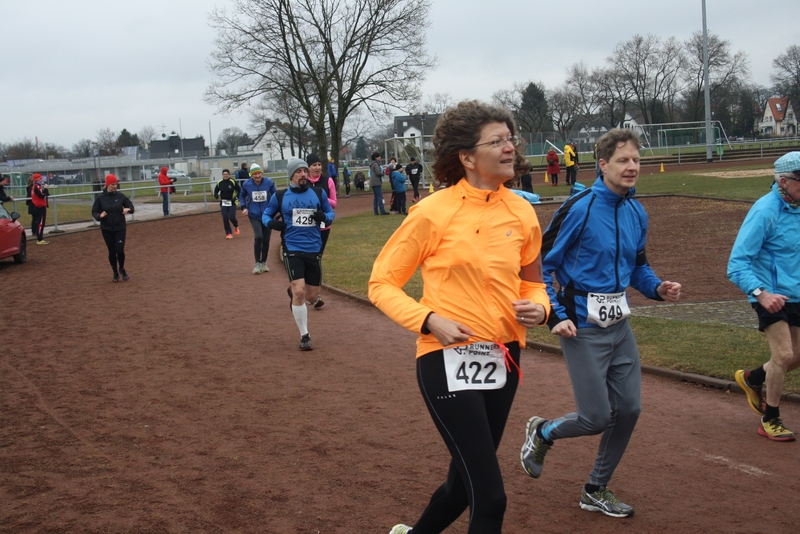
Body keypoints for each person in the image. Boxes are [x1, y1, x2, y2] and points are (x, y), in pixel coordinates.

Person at [369, 100, 550, 534]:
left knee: (461, 486)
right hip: (444, 357)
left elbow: (534, 285)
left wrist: (540, 308)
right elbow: (381, 283)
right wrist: (429, 319)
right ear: (467, 157)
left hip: (503, 357)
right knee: (490, 497)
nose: (510, 147)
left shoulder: (522, 212)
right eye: (497, 141)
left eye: (510, 138)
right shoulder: (433, 212)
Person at [520, 128, 682, 518]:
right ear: (603, 164)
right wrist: (555, 316)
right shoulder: (580, 208)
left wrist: (658, 287)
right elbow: (538, 267)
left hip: (619, 325)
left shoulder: (636, 211)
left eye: (636, 160)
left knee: (629, 409)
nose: (632, 167)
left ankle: (595, 488)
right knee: (596, 417)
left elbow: (638, 268)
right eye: (623, 160)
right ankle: (543, 431)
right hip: (581, 326)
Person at [729, 151, 800, 442]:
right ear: (784, 181)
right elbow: (737, 264)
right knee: (783, 355)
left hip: (796, 292)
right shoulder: (764, 211)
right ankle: (770, 419)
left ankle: (753, 378)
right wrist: (761, 293)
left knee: (796, 355)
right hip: (768, 293)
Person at [262, 158, 334, 351]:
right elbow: (266, 215)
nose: (303, 174)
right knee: (300, 292)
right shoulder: (280, 196)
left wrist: (324, 217)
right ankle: (304, 335)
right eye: (299, 172)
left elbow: (330, 214)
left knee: (312, 296)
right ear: (291, 175)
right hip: (292, 248)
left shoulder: (318, 193)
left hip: (314, 248)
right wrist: (271, 223)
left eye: (304, 171)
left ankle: (293, 292)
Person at [91, 174, 134, 282]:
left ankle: (122, 268)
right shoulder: (100, 198)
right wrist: (99, 216)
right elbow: (94, 211)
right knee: (112, 251)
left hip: (120, 227)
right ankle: (115, 272)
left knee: (119, 250)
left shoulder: (120, 196)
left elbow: (131, 207)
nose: (115, 186)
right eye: (112, 184)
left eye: (116, 184)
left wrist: (128, 209)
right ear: (107, 185)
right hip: (107, 228)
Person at [240, 163, 277, 274]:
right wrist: (244, 207)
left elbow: (275, 195)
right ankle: (257, 263)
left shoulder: (269, 182)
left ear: (262, 173)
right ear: (251, 175)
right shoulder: (246, 184)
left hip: (267, 215)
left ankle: (263, 262)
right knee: (259, 236)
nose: (257, 176)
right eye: (255, 174)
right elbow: (242, 196)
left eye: (259, 173)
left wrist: (275, 207)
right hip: (254, 215)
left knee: (266, 239)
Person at [306, 153, 337, 257]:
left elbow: (334, 203)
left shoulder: (328, 181)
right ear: (308, 167)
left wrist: (321, 198)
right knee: (307, 254)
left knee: (318, 255)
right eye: (314, 165)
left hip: (323, 225)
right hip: (307, 225)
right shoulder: (304, 182)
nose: (317, 167)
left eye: (319, 165)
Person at [213, 169, 241, 239]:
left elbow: (239, 190)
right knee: (225, 218)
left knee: (232, 217)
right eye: (224, 174)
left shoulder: (232, 181)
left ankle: (236, 226)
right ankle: (228, 233)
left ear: (229, 175)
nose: (225, 175)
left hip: (232, 202)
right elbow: (216, 190)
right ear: (222, 175)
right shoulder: (220, 182)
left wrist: (236, 197)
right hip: (224, 203)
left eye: (226, 174)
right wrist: (216, 195)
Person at [30, 173, 50, 245]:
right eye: (41, 178)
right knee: (40, 223)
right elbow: (42, 195)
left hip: (39, 206)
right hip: (40, 207)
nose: (42, 179)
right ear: (37, 179)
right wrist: (46, 189)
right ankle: (39, 238)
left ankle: (40, 237)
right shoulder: (37, 186)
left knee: (40, 222)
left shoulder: (35, 186)